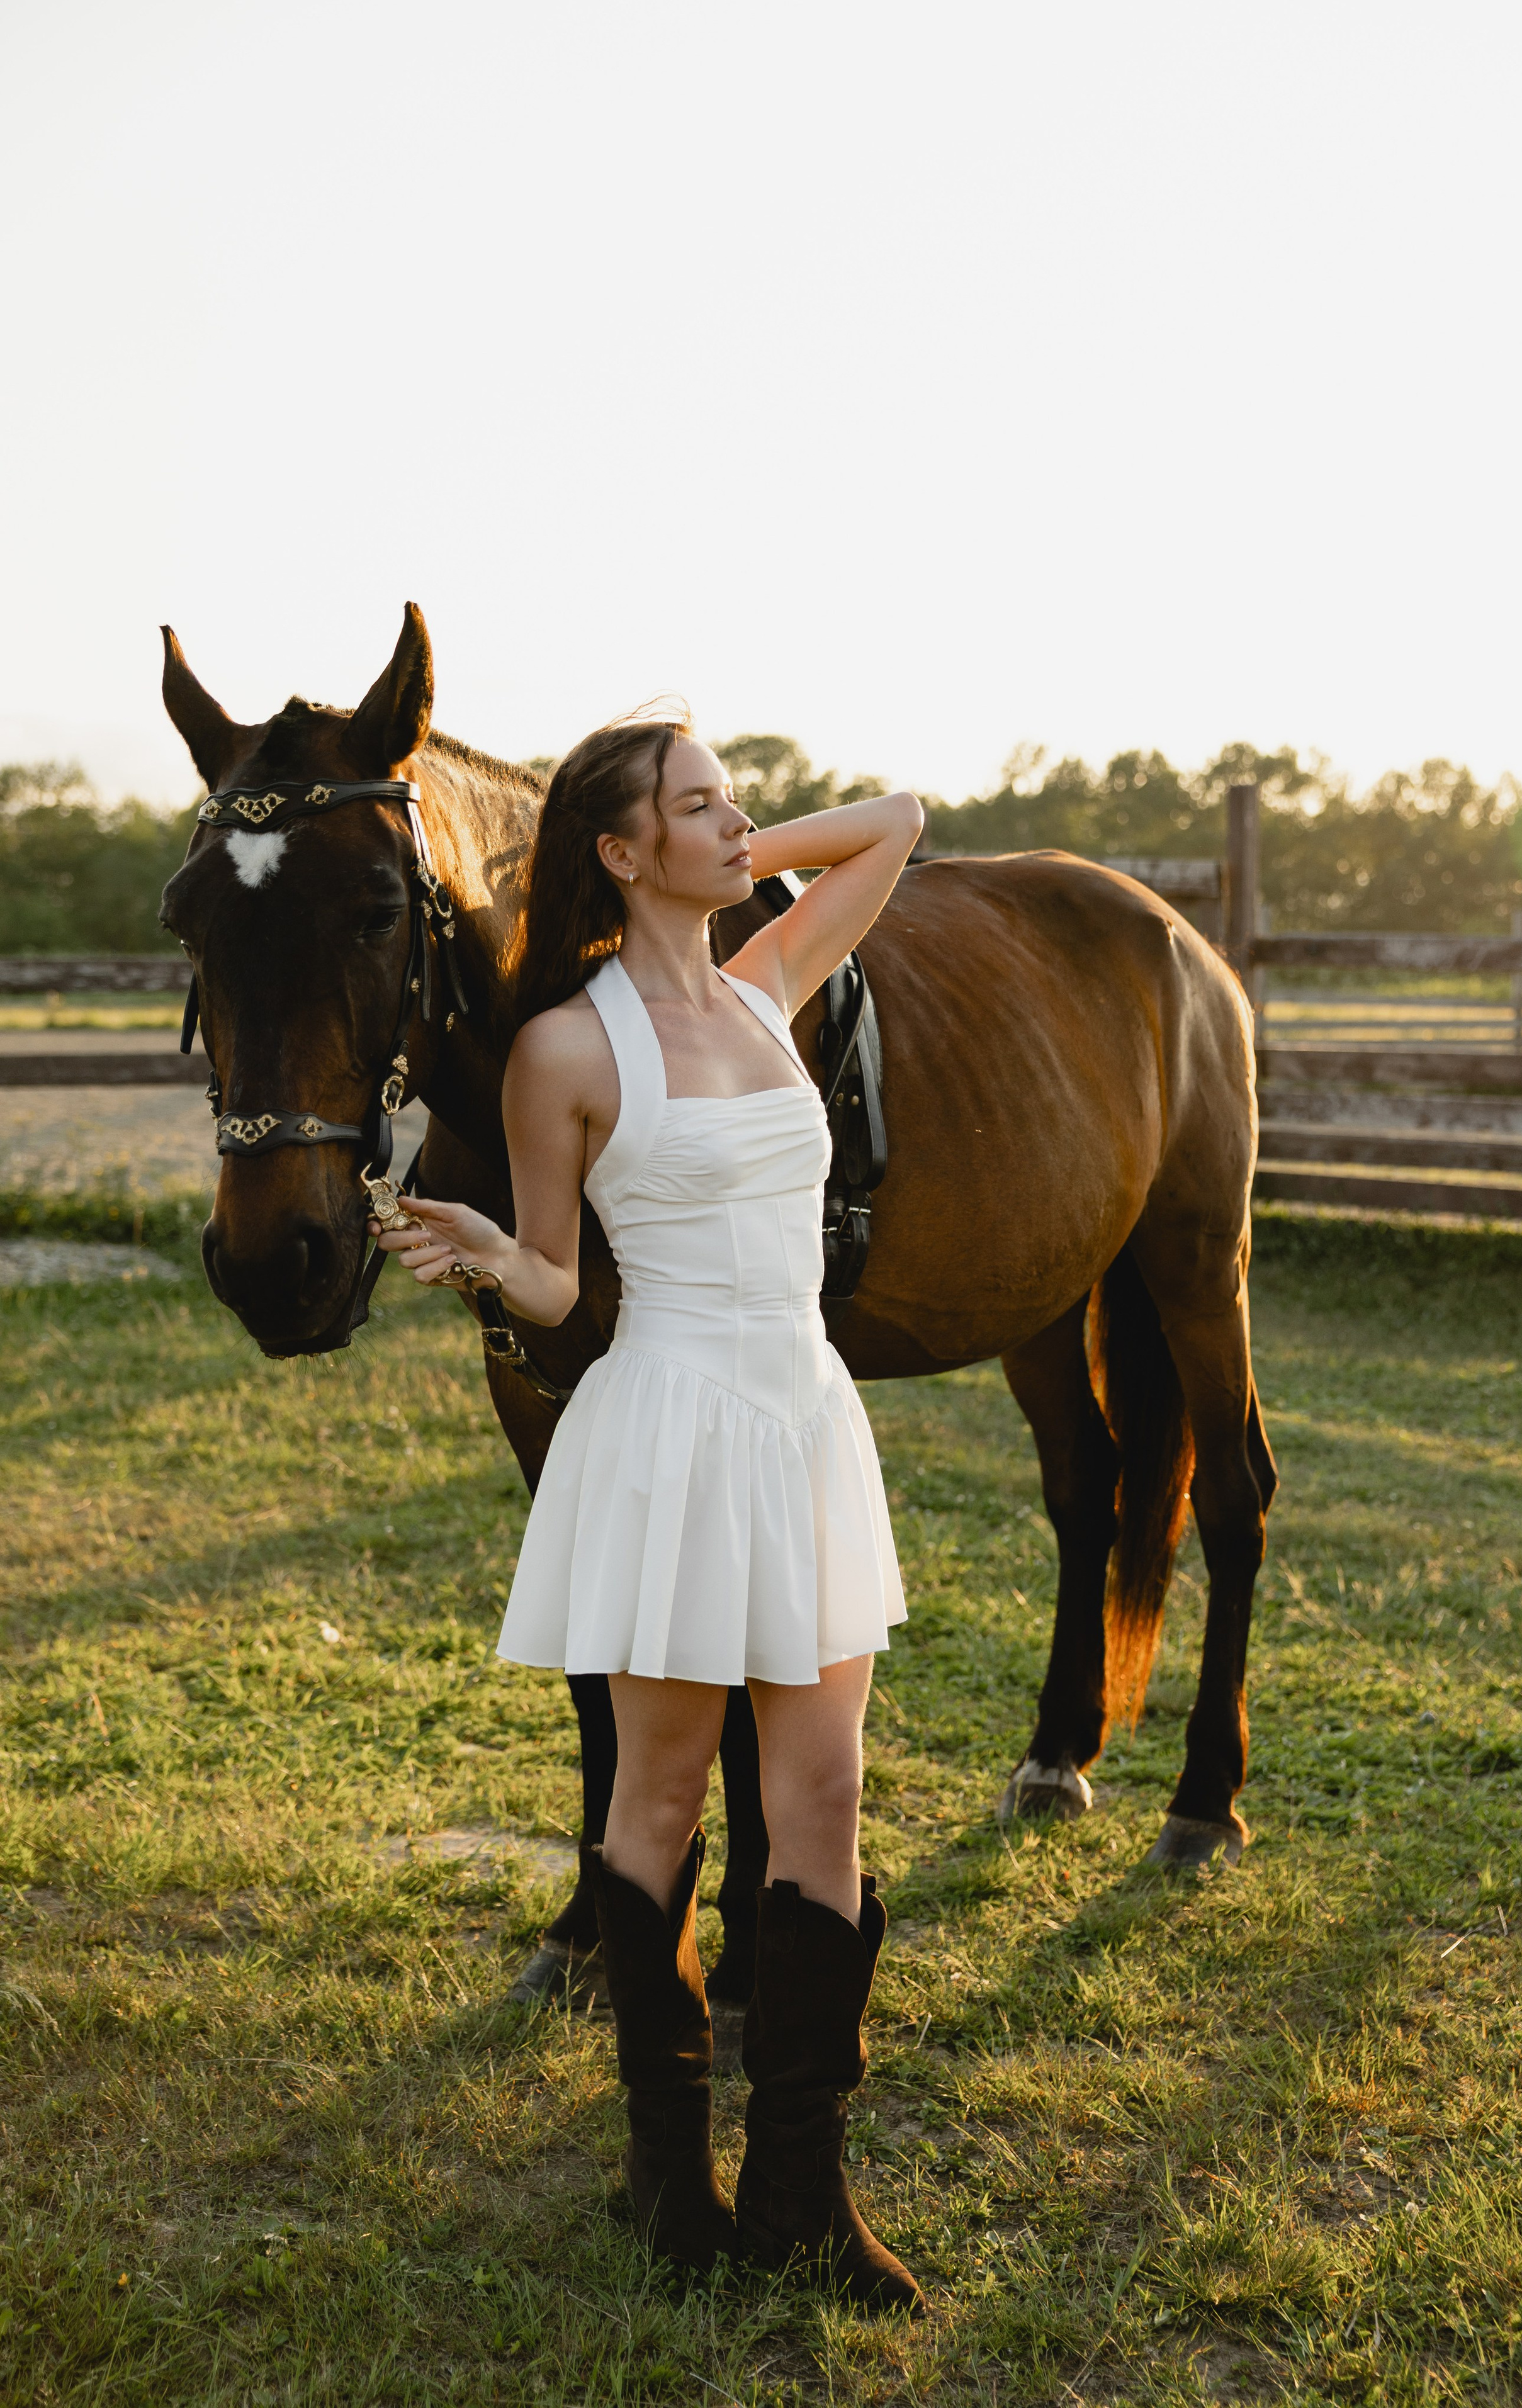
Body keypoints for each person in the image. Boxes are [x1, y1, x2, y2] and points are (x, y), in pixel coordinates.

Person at [374, 709, 925, 2310]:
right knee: (661, 1803)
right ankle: (667, 2180)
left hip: (803, 1416)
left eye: (730, 801)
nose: (735, 821)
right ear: (620, 853)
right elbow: (556, 1277)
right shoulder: (566, 1044)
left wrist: (748, 844)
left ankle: (805, 2193)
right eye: (697, 807)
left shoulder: (767, 987)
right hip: (670, 1425)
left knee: (821, 1800)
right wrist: (484, 1247)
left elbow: (892, 818)